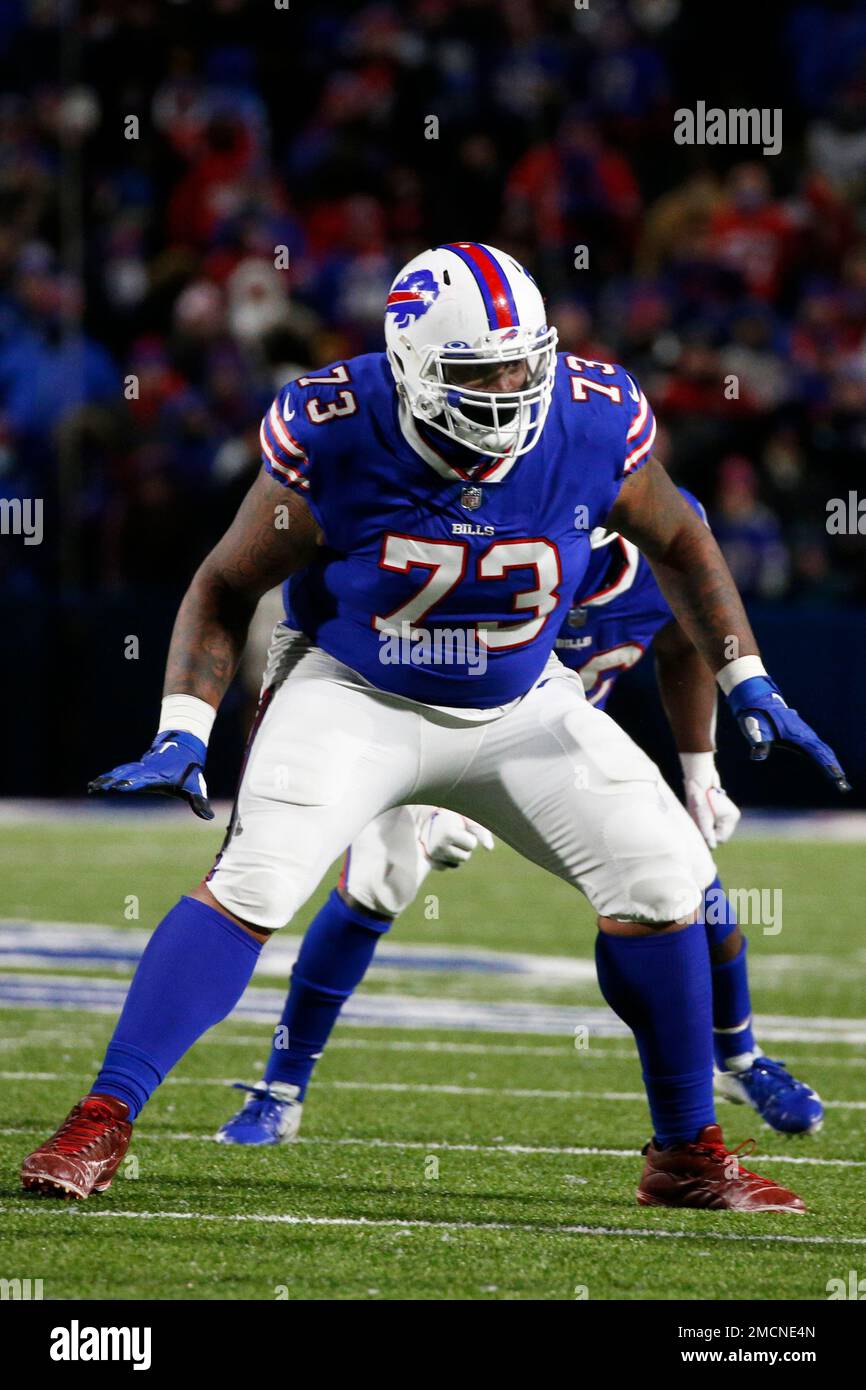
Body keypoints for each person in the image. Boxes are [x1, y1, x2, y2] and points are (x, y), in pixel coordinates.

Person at [22, 243, 847, 1211]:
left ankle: (683, 1155)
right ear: (411, 367)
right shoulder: (336, 429)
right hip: (357, 693)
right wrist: (182, 728)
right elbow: (222, 583)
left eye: (520, 363)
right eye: (476, 373)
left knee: (666, 878)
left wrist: (742, 672)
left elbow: (677, 535)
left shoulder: (586, 417)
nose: (506, 391)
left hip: (519, 700)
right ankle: (101, 1119)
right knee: (254, 881)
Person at [215, 491, 823, 1148]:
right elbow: (435, 667)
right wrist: (437, 796)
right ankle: (282, 1086)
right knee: (381, 878)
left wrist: (701, 770)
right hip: (424, 718)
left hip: (551, 746)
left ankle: (739, 1059)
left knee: (685, 877)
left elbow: (683, 645)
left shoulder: (667, 536)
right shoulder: (488, 532)